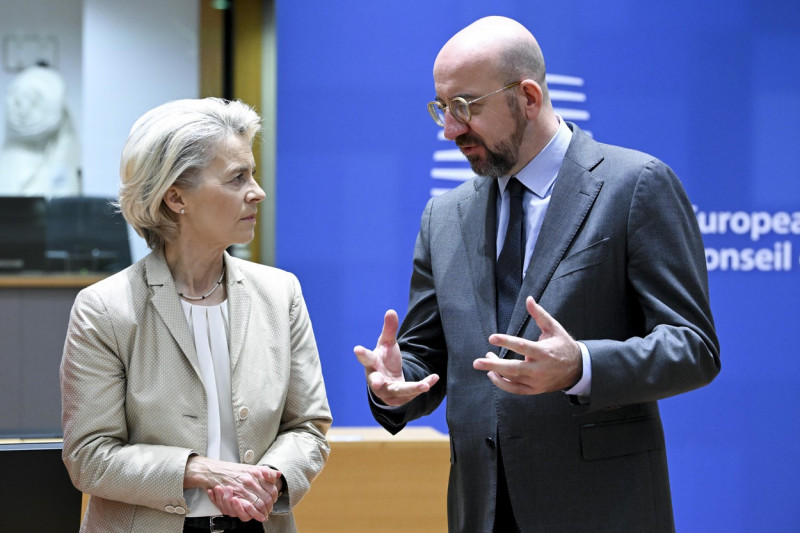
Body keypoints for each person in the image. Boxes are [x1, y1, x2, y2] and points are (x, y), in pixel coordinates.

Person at [354, 16, 720, 532]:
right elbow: (426, 357)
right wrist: (395, 384)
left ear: (527, 96)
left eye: (465, 107)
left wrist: (581, 366)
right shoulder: (444, 215)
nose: (450, 129)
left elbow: (693, 348)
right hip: (481, 510)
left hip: (601, 509)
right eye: (442, 108)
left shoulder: (633, 186)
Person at [61, 98, 331, 533]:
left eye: (253, 174)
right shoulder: (106, 308)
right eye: (237, 177)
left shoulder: (281, 293)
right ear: (176, 197)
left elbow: (308, 427)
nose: (257, 191)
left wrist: (270, 478)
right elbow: (89, 456)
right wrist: (201, 470)